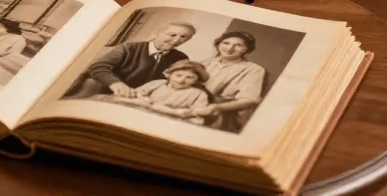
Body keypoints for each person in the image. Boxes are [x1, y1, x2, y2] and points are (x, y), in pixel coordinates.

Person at [66, 21, 196, 97]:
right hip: (108, 91)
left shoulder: (181, 58)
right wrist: (116, 84)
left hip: (141, 97)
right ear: (156, 33)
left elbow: (173, 81)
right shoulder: (129, 48)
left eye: (183, 37)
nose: (177, 40)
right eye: (172, 35)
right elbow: (98, 67)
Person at [193, 31, 265, 132]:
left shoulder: (253, 69)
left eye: (238, 45)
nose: (230, 48)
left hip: (221, 113)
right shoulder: (205, 62)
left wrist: (217, 107)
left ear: (247, 50)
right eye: (226, 43)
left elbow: (248, 100)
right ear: (218, 44)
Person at [110, 60, 211, 124]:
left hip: (169, 121)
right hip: (143, 114)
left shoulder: (198, 94)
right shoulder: (158, 83)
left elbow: (197, 113)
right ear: (169, 74)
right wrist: (140, 97)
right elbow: (136, 94)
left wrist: (185, 113)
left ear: (197, 80)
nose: (182, 80)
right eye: (178, 75)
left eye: (189, 77)